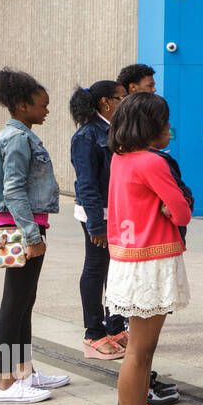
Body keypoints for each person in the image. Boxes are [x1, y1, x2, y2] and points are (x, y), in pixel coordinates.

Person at [105, 92, 192, 405]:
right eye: (165, 122)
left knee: (143, 352)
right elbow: (183, 213)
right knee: (139, 354)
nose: (169, 129)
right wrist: (171, 208)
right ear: (152, 127)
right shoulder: (153, 162)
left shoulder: (122, 158)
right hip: (150, 263)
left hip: (130, 261)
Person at [0, 68, 69, 403]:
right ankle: (6, 383)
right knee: (14, 303)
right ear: (22, 105)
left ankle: (25, 372)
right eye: (41, 105)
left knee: (24, 301)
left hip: (25, 225)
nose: (46, 110)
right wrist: (31, 235)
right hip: (21, 227)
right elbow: (14, 189)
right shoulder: (18, 138)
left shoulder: (18, 135)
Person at [70, 80, 129, 360]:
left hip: (115, 212)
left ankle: (115, 327)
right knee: (95, 269)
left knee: (114, 272)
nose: (125, 102)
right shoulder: (87, 136)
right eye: (121, 98)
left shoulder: (113, 129)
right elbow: (87, 185)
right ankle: (93, 334)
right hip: (97, 214)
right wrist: (96, 224)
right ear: (106, 102)